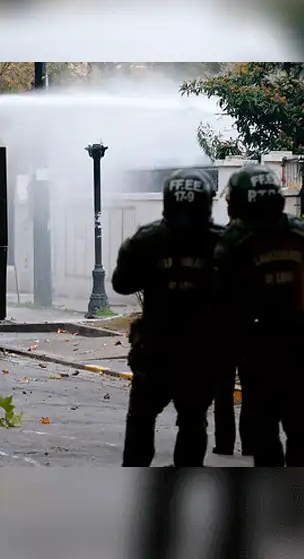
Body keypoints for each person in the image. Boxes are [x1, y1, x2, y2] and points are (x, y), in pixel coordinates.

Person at [213, 164, 304, 467]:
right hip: (298, 344)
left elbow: (220, 297)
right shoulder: (300, 233)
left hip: (256, 347)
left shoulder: (235, 239)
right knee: (299, 426)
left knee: (265, 429)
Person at [113, 168, 224, 467]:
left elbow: (121, 283)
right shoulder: (222, 243)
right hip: (200, 352)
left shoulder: (148, 240)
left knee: (141, 419)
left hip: (156, 350)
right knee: (193, 420)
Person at [212, 187, 253, 457]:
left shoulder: (219, 239)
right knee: (252, 388)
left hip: (224, 326)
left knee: (222, 388)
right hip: (252, 325)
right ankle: (250, 441)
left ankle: (224, 442)